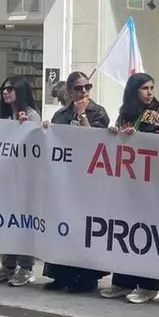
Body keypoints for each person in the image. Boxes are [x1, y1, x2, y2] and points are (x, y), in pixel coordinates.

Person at [101, 73, 159, 304]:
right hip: (127, 184)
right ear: (134, 91)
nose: (150, 92)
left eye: (152, 87)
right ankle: (123, 282)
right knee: (124, 232)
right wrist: (114, 134)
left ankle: (149, 286)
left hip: (150, 184)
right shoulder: (125, 113)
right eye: (144, 88)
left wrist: (139, 138)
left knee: (147, 234)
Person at [42, 71, 111, 293]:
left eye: (87, 87)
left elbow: (94, 141)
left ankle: (87, 278)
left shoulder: (98, 112)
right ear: (70, 92)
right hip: (67, 177)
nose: (84, 92)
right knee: (63, 225)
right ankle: (60, 275)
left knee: (84, 227)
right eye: (79, 88)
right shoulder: (61, 115)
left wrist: (83, 117)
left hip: (89, 177)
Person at [0, 76, 41, 286]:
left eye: (11, 88)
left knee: (24, 225)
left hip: (26, 182)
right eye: (3, 88)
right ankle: (8, 266)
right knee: (7, 224)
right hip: (7, 181)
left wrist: (27, 127)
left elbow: (37, 143)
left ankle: (25, 268)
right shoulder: (5, 116)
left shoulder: (32, 115)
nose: (6, 92)